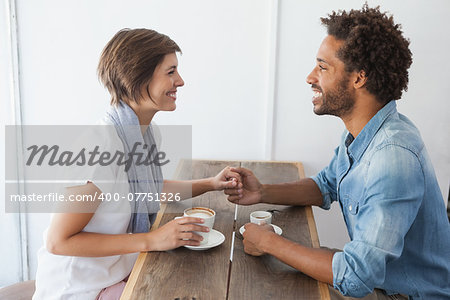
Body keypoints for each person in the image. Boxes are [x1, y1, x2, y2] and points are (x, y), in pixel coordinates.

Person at [224, 5, 450, 300]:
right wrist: (262, 192)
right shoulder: (363, 132)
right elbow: (326, 185)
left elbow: (356, 276)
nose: (310, 77)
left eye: (322, 67)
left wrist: (269, 244)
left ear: (359, 78)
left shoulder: (393, 159)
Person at [33, 28, 241, 300]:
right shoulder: (99, 147)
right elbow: (58, 241)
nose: (180, 81)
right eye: (170, 71)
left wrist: (210, 184)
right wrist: (153, 240)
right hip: (80, 290)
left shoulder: (146, 133)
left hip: (119, 275)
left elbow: (147, 189)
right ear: (137, 76)